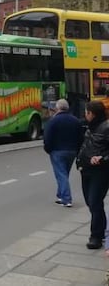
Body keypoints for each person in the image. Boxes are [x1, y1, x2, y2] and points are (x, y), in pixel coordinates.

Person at [75, 100, 109, 249]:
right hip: (86, 169)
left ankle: (95, 235)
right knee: (90, 202)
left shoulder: (107, 127)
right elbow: (85, 145)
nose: (85, 115)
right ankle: (101, 230)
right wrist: (79, 161)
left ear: (92, 113)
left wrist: (103, 159)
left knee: (95, 202)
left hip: (100, 171)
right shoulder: (89, 127)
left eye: (86, 112)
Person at [44, 99, 82, 207]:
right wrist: (77, 151)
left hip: (57, 151)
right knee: (64, 174)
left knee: (61, 174)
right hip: (72, 151)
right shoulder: (75, 120)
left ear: (58, 108)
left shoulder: (53, 121)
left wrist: (48, 149)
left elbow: (47, 137)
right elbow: (81, 138)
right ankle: (60, 195)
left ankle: (66, 199)